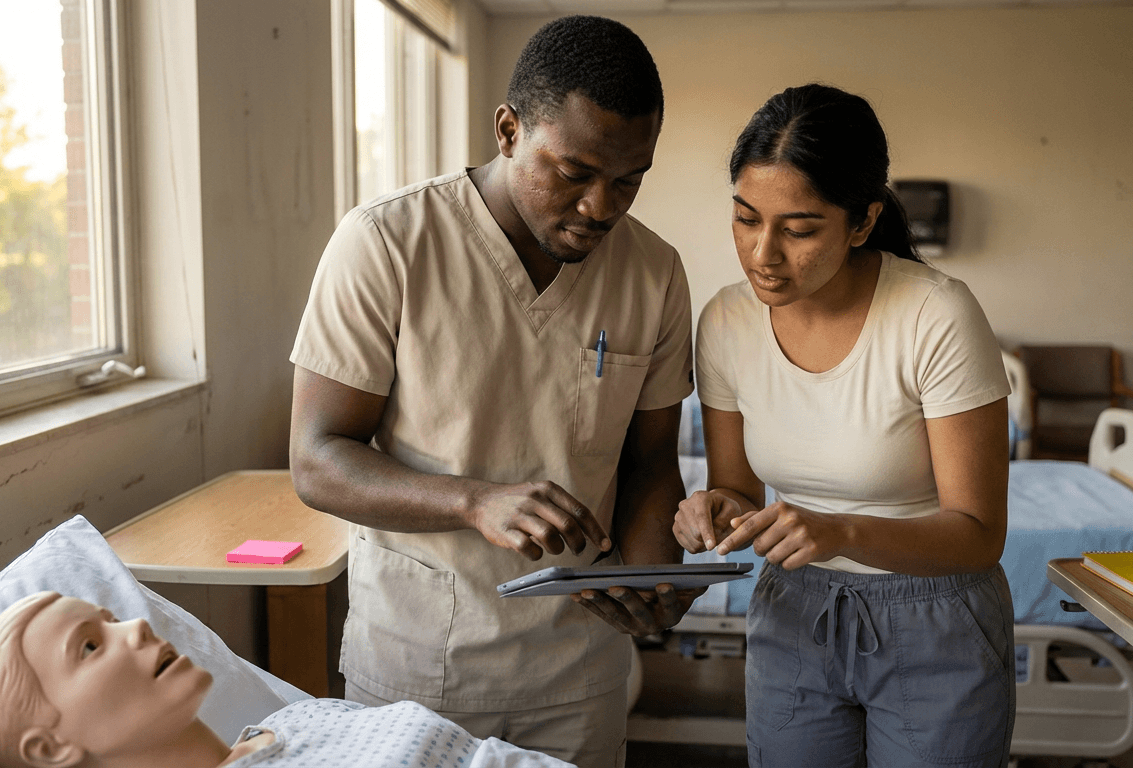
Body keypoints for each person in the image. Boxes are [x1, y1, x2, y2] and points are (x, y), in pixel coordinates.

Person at [288, 15, 697, 767]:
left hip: (580, 668)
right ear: (508, 130)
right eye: (574, 172)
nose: (601, 207)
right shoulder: (386, 244)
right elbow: (317, 460)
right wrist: (474, 501)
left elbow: (651, 462)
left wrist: (649, 577)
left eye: (628, 180)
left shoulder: (654, 272)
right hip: (420, 663)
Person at [673, 84, 1015, 768]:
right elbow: (737, 486)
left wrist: (837, 531)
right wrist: (716, 511)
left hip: (936, 619)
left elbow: (979, 535)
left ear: (862, 222)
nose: (762, 253)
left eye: (798, 230)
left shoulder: (934, 314)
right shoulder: (725, 322)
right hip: (792, 613)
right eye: (745, 218)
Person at [0, 591, 574, 768]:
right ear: (50, 748)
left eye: (114, 618)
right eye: (90, 645)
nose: (137, 630)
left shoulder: (296, 719)